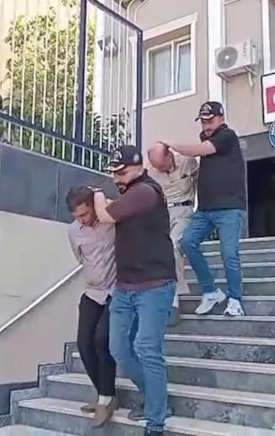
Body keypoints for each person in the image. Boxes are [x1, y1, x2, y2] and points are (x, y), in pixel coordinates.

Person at [92, 145, 176, 436]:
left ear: (139, 167)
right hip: (125, 287)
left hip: (155, 286)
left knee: (147, 349)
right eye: (114, 173)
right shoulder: (131, 194)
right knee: (118, 348)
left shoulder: (145, 192)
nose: (117, 178)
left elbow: (105, 215)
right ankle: (154, 398)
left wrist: (98, 195)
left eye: (122, 172)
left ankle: (156, 422)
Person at [163, 101, 247, 317]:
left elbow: (197, 150)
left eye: (210, 121)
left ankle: (235, 299)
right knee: (187, 242)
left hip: (230, 208)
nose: (206, 126)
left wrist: (171, 144)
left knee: (229, 253)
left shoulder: (227, 136)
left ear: (221, 118)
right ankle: (211, 292)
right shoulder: (206, 137)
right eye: (203, 122)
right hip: (205, 210)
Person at [66, 186, 118, 427]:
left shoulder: (111, 221)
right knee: (84, 344)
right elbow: (81, 259)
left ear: (94, 208)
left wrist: (101, 199)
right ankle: (105, 395)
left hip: (116, 291)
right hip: (92, 292)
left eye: (85, 214)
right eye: (77, 216)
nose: (82, 220)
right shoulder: (73, 231)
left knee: (102, 339)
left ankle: (105, 400)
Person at [147, 142, 198, 327]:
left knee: (173, 246)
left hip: (184, 211)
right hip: (163, 213)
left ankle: (174, 300)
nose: (160, 169)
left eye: (162, 165)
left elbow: (203, 182)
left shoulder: (188, 162)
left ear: (169, 155)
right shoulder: (151, 173)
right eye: (156, 166)